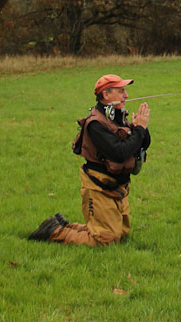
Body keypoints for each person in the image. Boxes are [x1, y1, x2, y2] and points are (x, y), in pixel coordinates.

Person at [28, 74, 151, 245]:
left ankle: (63, 224)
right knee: (105, 240)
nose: (126, 96)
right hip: (99, 187)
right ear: (106, 95)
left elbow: (140, 145)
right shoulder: (96, 124)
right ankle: (54, 231)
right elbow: (120, 153)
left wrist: (141, 129)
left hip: (119, 187)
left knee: (121, 234)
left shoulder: (116, 116)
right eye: (121, 91)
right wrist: (139, 130)